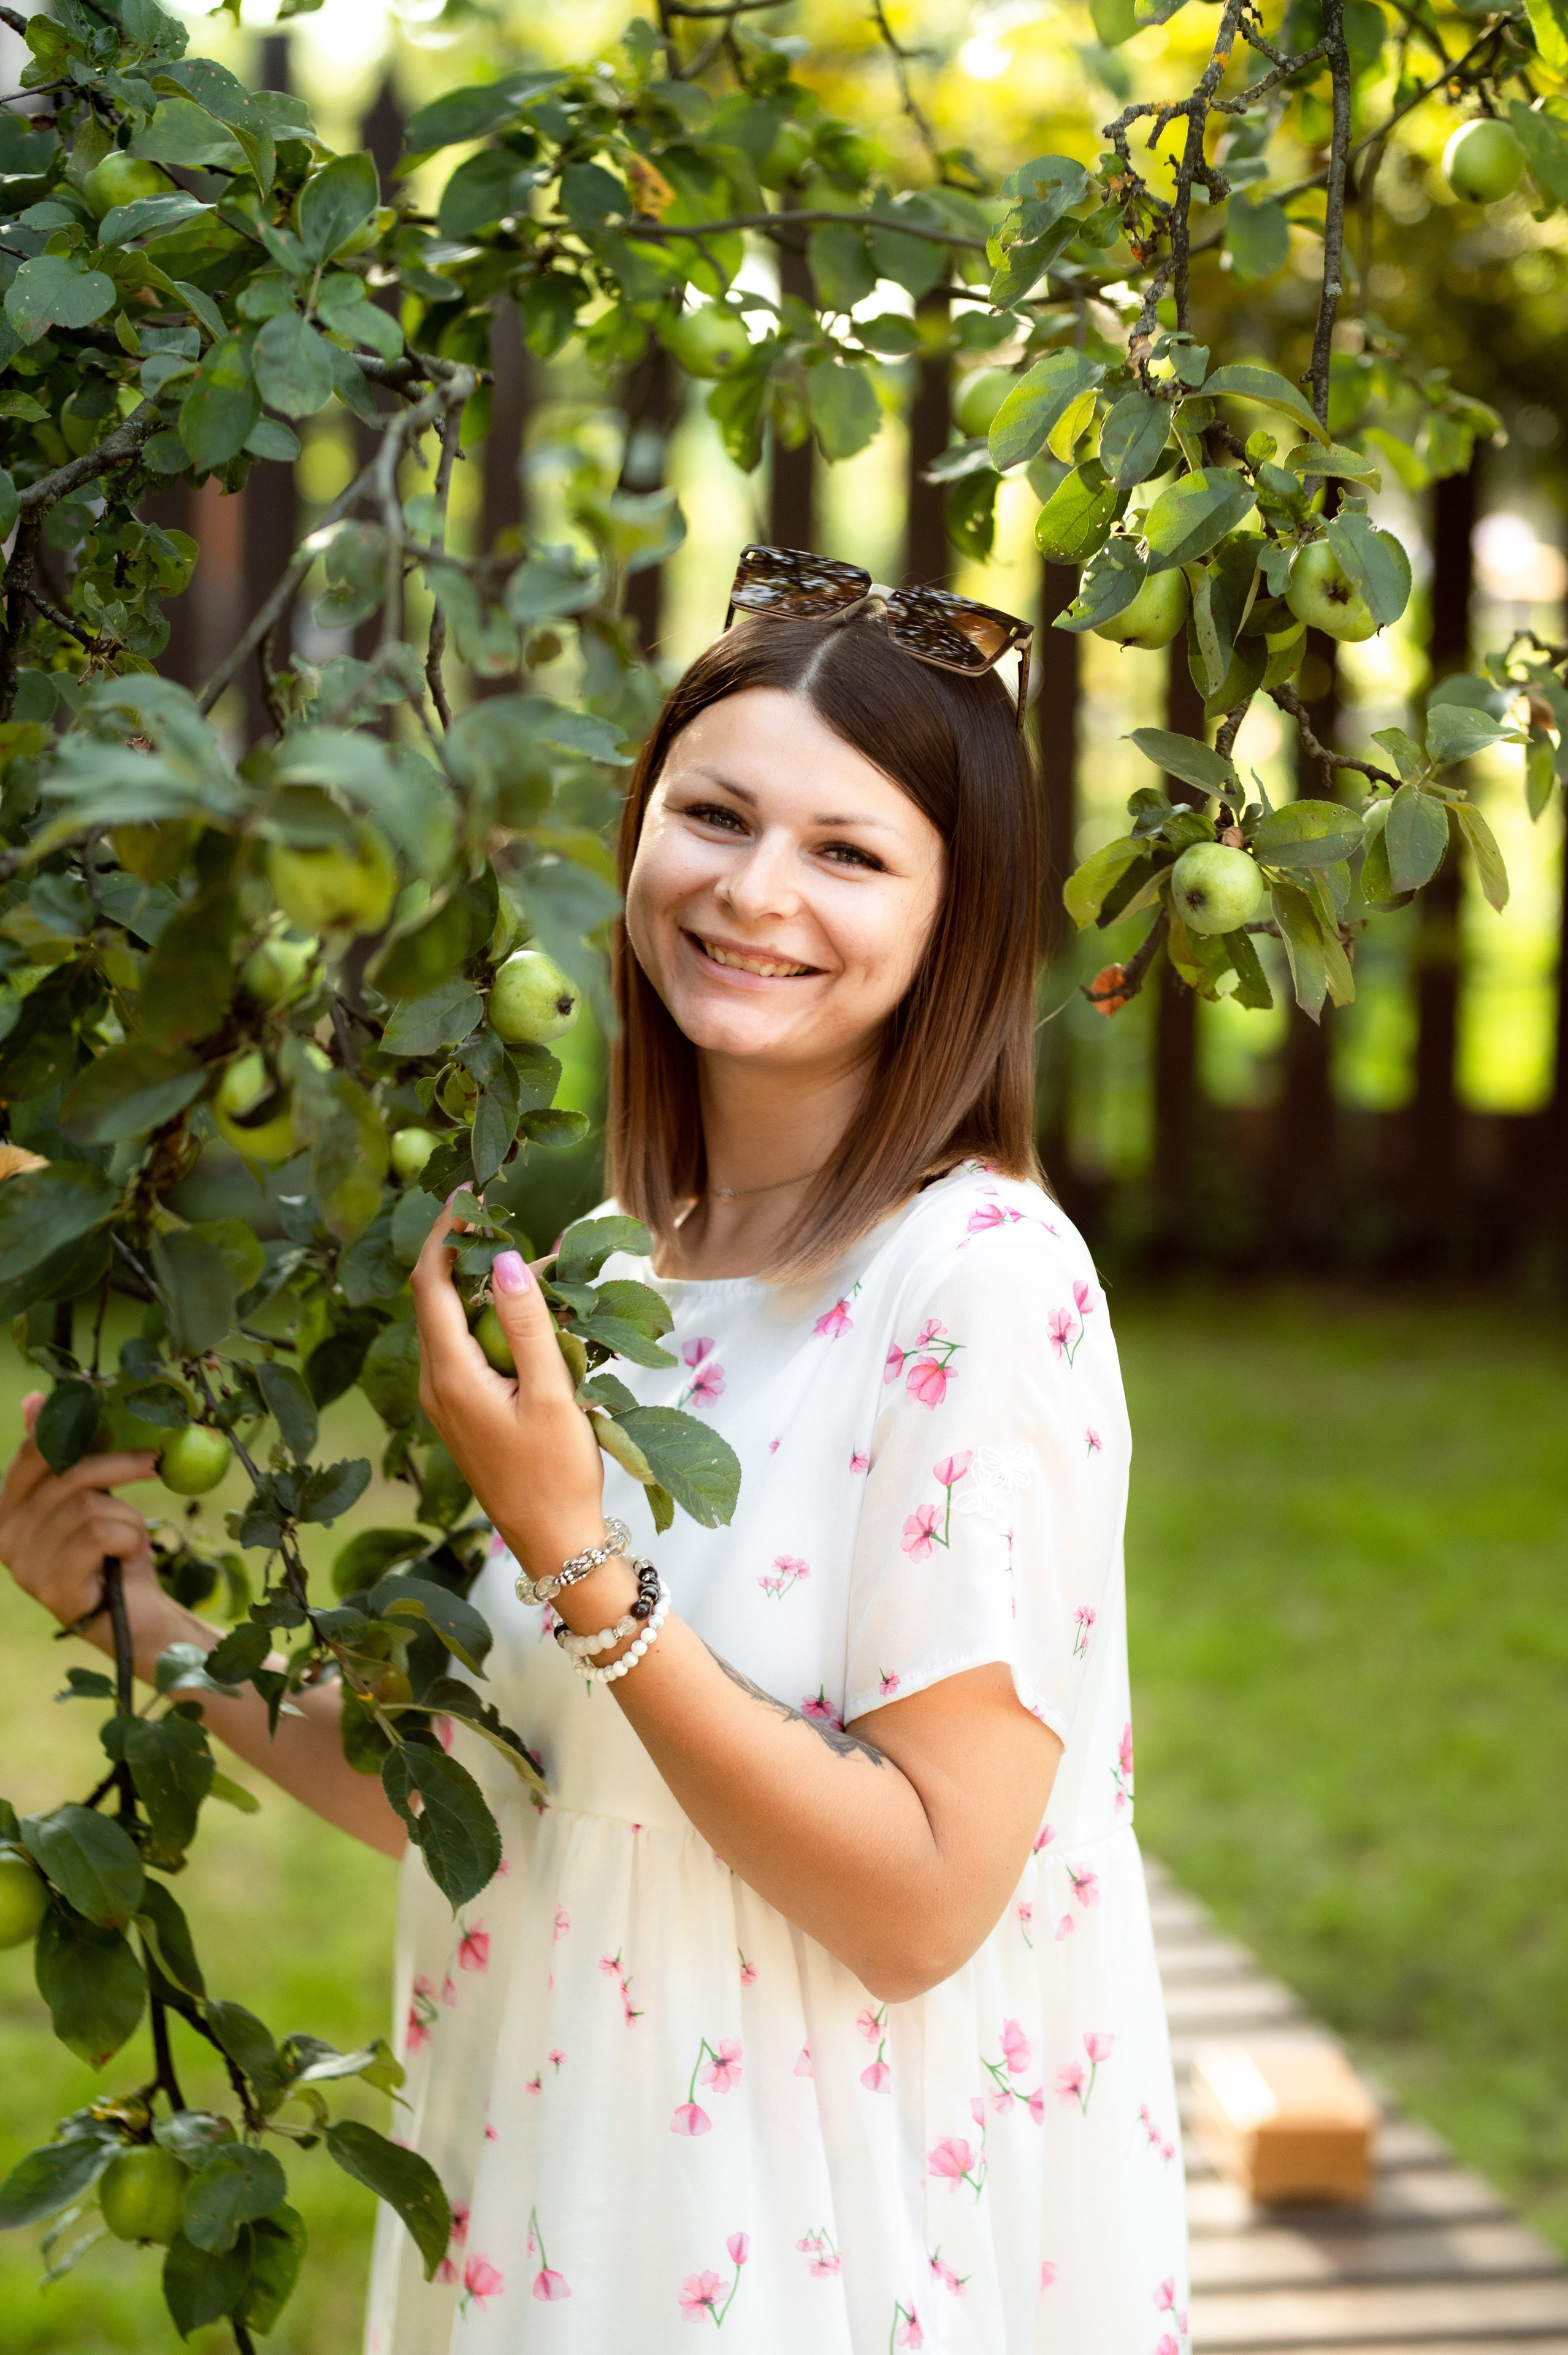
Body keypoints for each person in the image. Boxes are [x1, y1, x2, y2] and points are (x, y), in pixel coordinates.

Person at [0, 547, 1188, 2353]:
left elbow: (928, 1901)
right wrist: (142, 1624)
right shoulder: (621, 1276)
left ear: (960, 915)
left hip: (802, 2240)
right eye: (715, 815)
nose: (756, 891)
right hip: (555, 2187)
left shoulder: (981, 1287)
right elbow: (515, 1800)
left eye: (850, 852)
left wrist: (582, 1567)